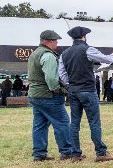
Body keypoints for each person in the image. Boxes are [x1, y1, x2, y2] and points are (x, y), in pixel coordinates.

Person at [59, 26, 113, 162]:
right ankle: (101, 153)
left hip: (73, 91)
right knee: (94, 122)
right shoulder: (87, 49)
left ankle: (75, 154)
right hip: (88, 90)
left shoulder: (64, 54)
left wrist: (71, 84)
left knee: (74, 123)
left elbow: (61, 74)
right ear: (84, 36)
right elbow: (106, 60)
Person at [27, 30, 76, 161]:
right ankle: (67, 152)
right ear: (48, 41)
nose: (57, 43)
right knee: (63, 123)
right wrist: (58, 90)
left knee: (40, 125)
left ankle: (39, 154)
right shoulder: (48, 55)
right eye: (55, 41)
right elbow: (51, 78)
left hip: (35, 94)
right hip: (48, 95)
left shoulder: (34, 54)